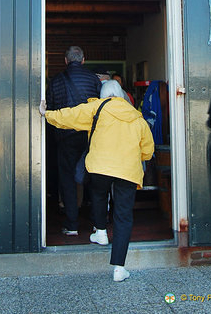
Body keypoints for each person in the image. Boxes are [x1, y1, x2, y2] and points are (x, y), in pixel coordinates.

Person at [40, 79, 154, 282]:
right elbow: (147, 149)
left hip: (100, 167)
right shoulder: (137, 118)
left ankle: (100, 231)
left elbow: (70, 115)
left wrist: (46, 114)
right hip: (127, 170)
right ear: (121, 95)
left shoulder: (97, 108)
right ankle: (119, 268)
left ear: (103, 95)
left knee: (99, 194)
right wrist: (140, 157)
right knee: (123, 216)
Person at [46, 45, 102, 236]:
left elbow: (50, 110)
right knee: (94, 177)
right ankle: (97, 222)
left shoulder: (56, 81)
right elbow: (101, 108)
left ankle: (72, 225)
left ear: (65, 60)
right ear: (83, 60)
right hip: (90, 137)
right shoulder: (93, 79)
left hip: (66, 136)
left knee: (68, 180)